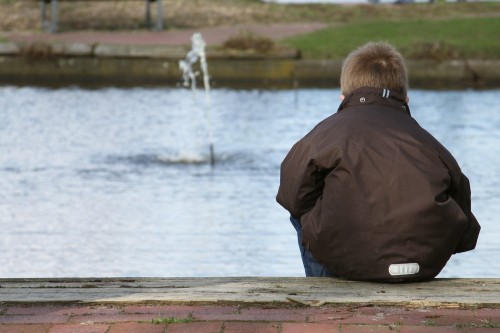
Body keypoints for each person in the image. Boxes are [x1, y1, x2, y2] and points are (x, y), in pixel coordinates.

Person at [276, 41, 480, 282]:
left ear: (343, 97)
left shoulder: (327, 133)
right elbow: (463, 209)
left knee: (301, 213)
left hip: (347, 262)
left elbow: (292, 194)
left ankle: (323, 284)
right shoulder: (427, 142)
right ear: (406, 99)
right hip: (422, 265)